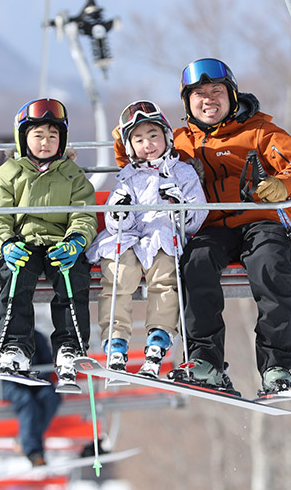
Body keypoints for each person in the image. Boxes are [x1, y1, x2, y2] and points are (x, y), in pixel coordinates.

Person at [114, 58, 291, 396]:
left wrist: (284, 184)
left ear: (232, 97)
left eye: (216, 92)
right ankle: (206, 361)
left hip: (260, 221)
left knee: (270, 267)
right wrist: (125, 128)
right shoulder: (178, 140)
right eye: (199, 95)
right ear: (187, 103)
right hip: (211, 226)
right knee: (195, 263)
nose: (208, 100)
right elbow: (134, 160)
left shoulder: (259, 132)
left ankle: (276, 366)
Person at [0, 98, 98, 386]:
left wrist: (77, 241)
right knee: (17, 276)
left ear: (62, 140)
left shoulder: (72, 175)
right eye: (38, 135)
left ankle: (70, 346)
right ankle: (14, 346)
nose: (45, 142)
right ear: (24, 138)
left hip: (60, 242)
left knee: (72, 277)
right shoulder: (10, 174)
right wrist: (6, 244)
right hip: (23, 242)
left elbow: (84, 213)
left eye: (52, 136)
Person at [87, 101, 206, 376]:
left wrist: (180, 208)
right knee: (119, 275)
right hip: (128, 239)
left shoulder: (182, 173)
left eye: (153, 136)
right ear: (130, 147)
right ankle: (115, 340)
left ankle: (158, 338)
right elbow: (114, 224)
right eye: (139, 139)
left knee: (165, 277)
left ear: (166, 137)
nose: (148, 145)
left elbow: (197, 217)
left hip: (164, 237)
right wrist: (119, 212)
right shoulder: (127, 176)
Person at [0, 330, 62, 466]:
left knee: (51, 396)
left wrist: (34, 374)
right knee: (27, 401)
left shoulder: (36, 336)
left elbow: (47, 361)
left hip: (35, 380)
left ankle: (29, 443)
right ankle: (33, 450)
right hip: (10, 383)